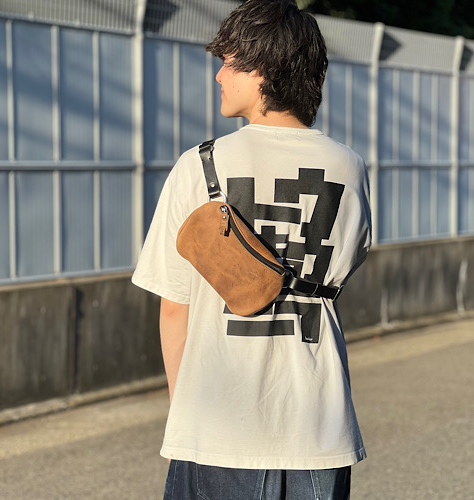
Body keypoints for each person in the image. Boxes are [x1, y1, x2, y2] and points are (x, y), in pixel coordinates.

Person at [132, 0, 371, 498]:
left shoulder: (200, 165)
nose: (219, 75)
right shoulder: (348, 167)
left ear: (262, 69)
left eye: (230, 62)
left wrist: (183, 417)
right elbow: (341, 273)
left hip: (217, 431)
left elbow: (175, 309)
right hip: (319, 426)